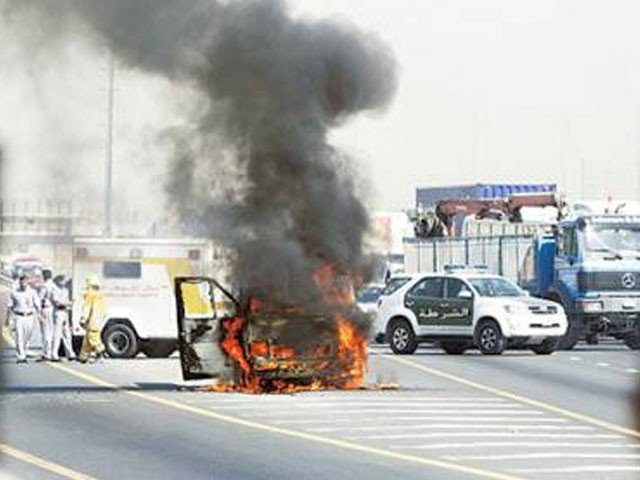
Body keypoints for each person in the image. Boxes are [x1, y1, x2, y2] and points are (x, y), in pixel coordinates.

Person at [4, 275, 41, 363]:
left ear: (27, 282)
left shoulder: (32, 292)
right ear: (19, 283)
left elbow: (37, 304)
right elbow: (10, 306)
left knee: (27, 336)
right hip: (19, 316)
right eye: (22, 282)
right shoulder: (14, 293)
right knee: (19, 336)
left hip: (30, 316)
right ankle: (21, 356)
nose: (23, 284)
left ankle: (24, 351)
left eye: (25, 282)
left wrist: (40, 315)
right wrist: (7, 319)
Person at [79, 274, 106, 363]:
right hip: (99, 319)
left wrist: (83, 319)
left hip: (92, 320)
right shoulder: (100, 294)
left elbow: (87, 308)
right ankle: (83, 357)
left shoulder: (89, 293)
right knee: (87, 339)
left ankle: (101, 353)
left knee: (92, 338)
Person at [51, 274, 76, 362]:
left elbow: (67, 301)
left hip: (65, 312)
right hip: (58, 312)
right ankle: (54, 354)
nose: (63, 282)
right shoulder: (54, 290)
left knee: (67, 333)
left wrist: (68, 304)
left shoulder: (66, 290)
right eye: (61, 280)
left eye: (64, 280)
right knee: (57, 334)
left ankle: (70, 353)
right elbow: (57, 303)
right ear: (57, 281)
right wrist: (68, 303)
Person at [37, 269, 56, 361]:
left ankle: (46, 353)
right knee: (51, 332)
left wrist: (38, 312)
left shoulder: (44, 286)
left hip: (46, 309)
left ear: (44, 276)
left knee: (45, 332)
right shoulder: (54, 286)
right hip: (53, 309)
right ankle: (52, 352)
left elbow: (39, 299)